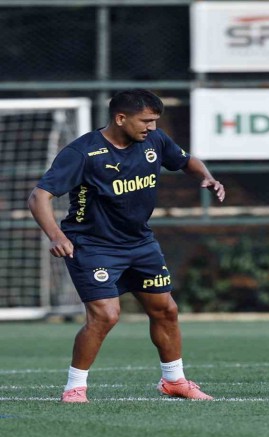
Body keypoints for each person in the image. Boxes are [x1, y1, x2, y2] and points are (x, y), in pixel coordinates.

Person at [28, 89, 225, 402]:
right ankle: (75, 387)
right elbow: (39, 196)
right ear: (120, 118)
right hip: (92, 245)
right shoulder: (82, 152)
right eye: (145, 121)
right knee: (106, 315)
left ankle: (174, 381)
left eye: (155, 121)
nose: (152, 127)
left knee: (166, 310)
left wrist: (207, 177)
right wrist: (56, 235)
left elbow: (186, 161)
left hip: (140, 242)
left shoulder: (155, 141)